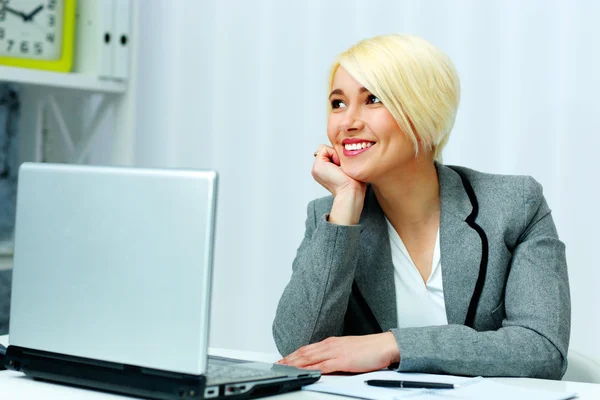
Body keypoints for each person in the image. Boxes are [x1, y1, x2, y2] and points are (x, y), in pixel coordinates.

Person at [272, 34, 570, 379]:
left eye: (373, 99)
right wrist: (346, 205)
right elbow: (298, 347)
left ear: (424, 112)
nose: (347, 122)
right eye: (338, 103)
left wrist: (392, 345)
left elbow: (542, 349)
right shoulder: (331, 215)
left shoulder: (514, 205)